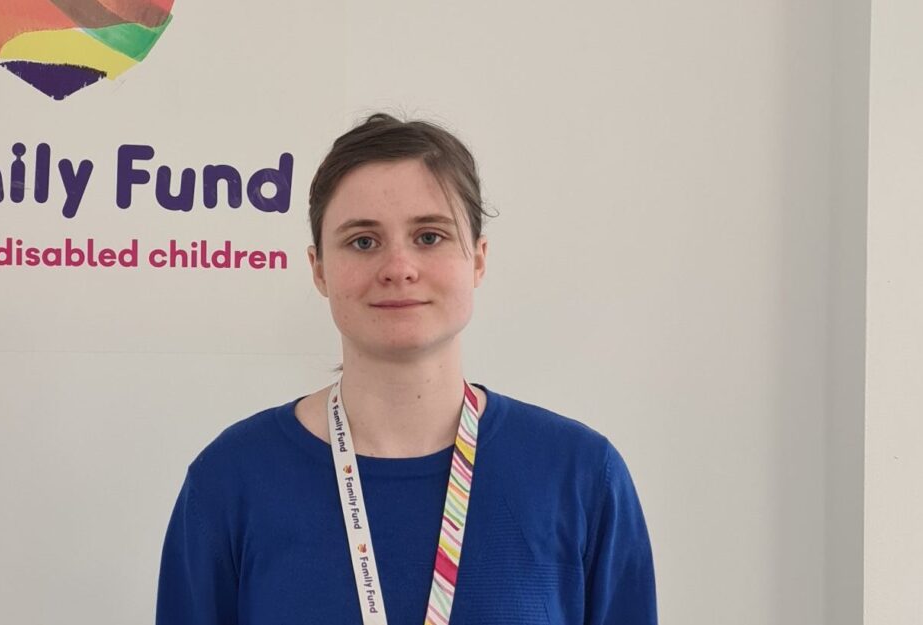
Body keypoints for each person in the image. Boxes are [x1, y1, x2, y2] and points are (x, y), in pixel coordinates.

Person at [155, 114, 657, 625]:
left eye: (430, 236)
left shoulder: (581, 477)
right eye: (363, 241)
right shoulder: (230, 480)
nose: (399, 267)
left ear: (478, 260)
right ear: (319, 269)